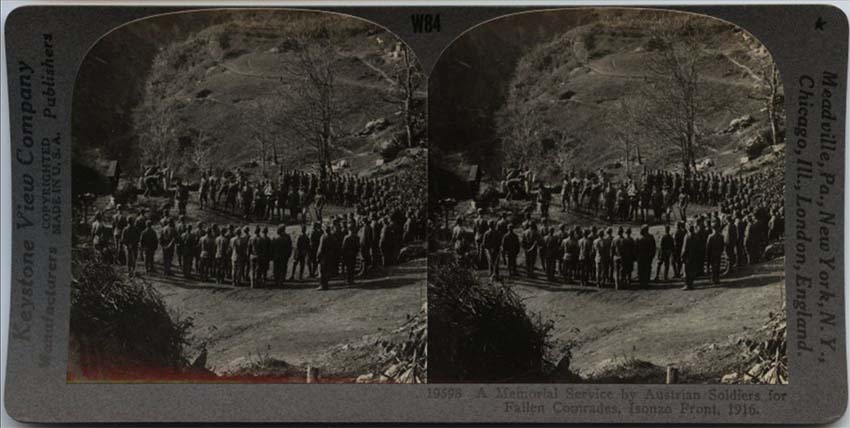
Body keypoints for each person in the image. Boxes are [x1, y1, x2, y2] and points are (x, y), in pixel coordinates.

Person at [681, 223, 701, 290]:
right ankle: (691, 284)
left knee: (686, 271)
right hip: (694, 256)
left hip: (687, 257)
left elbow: (684, 248)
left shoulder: (687, 237)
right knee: (692, 271)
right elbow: (698, 247)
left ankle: (687, 285)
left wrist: (682, 256)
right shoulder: (696, 236)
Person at [635, 225, 656, 289]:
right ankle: (645, 282)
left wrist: (636, 256)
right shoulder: (650, 237)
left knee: (642, 269)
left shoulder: (639, 238)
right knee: (646, 268)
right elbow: (653, 247)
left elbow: (636, 248)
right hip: (647, 256)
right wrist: (652, 255)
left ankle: (642, 282)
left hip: (642, 256)